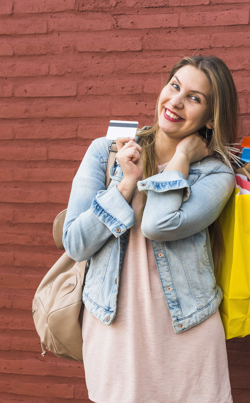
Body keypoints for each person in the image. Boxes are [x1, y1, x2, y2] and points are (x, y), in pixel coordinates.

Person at [63, 56, 238, 403]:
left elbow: (159, 225)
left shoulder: (217, 175)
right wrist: (125, 185)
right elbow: (75, 243)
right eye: (174, 86)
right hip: (114, 329)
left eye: (194, 98)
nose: (175, 101)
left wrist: (182, 158)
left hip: (187, 330)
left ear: (210, 117)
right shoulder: (106, 153)